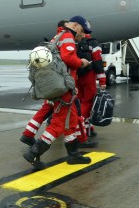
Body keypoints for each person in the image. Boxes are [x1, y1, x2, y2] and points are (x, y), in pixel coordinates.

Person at [23, 16, 93, 168]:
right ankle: (33, 153)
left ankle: (73, 154)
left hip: (61, 87)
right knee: (57, 125)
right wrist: (82, 62)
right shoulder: (68, 37)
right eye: (82, 31)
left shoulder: (58, 36)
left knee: (71, 121)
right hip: (64, 89)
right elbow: (68, 58)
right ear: (75, 25)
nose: (84, 35)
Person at [75, 29, 106, 144]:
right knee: (88, 103)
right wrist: (102, 81)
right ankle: (80, 131)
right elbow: (97, 61)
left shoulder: (74, 42)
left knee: (80, 102)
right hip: (88, 77)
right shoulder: (92, 43)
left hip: (77, 77)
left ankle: (88, 128)